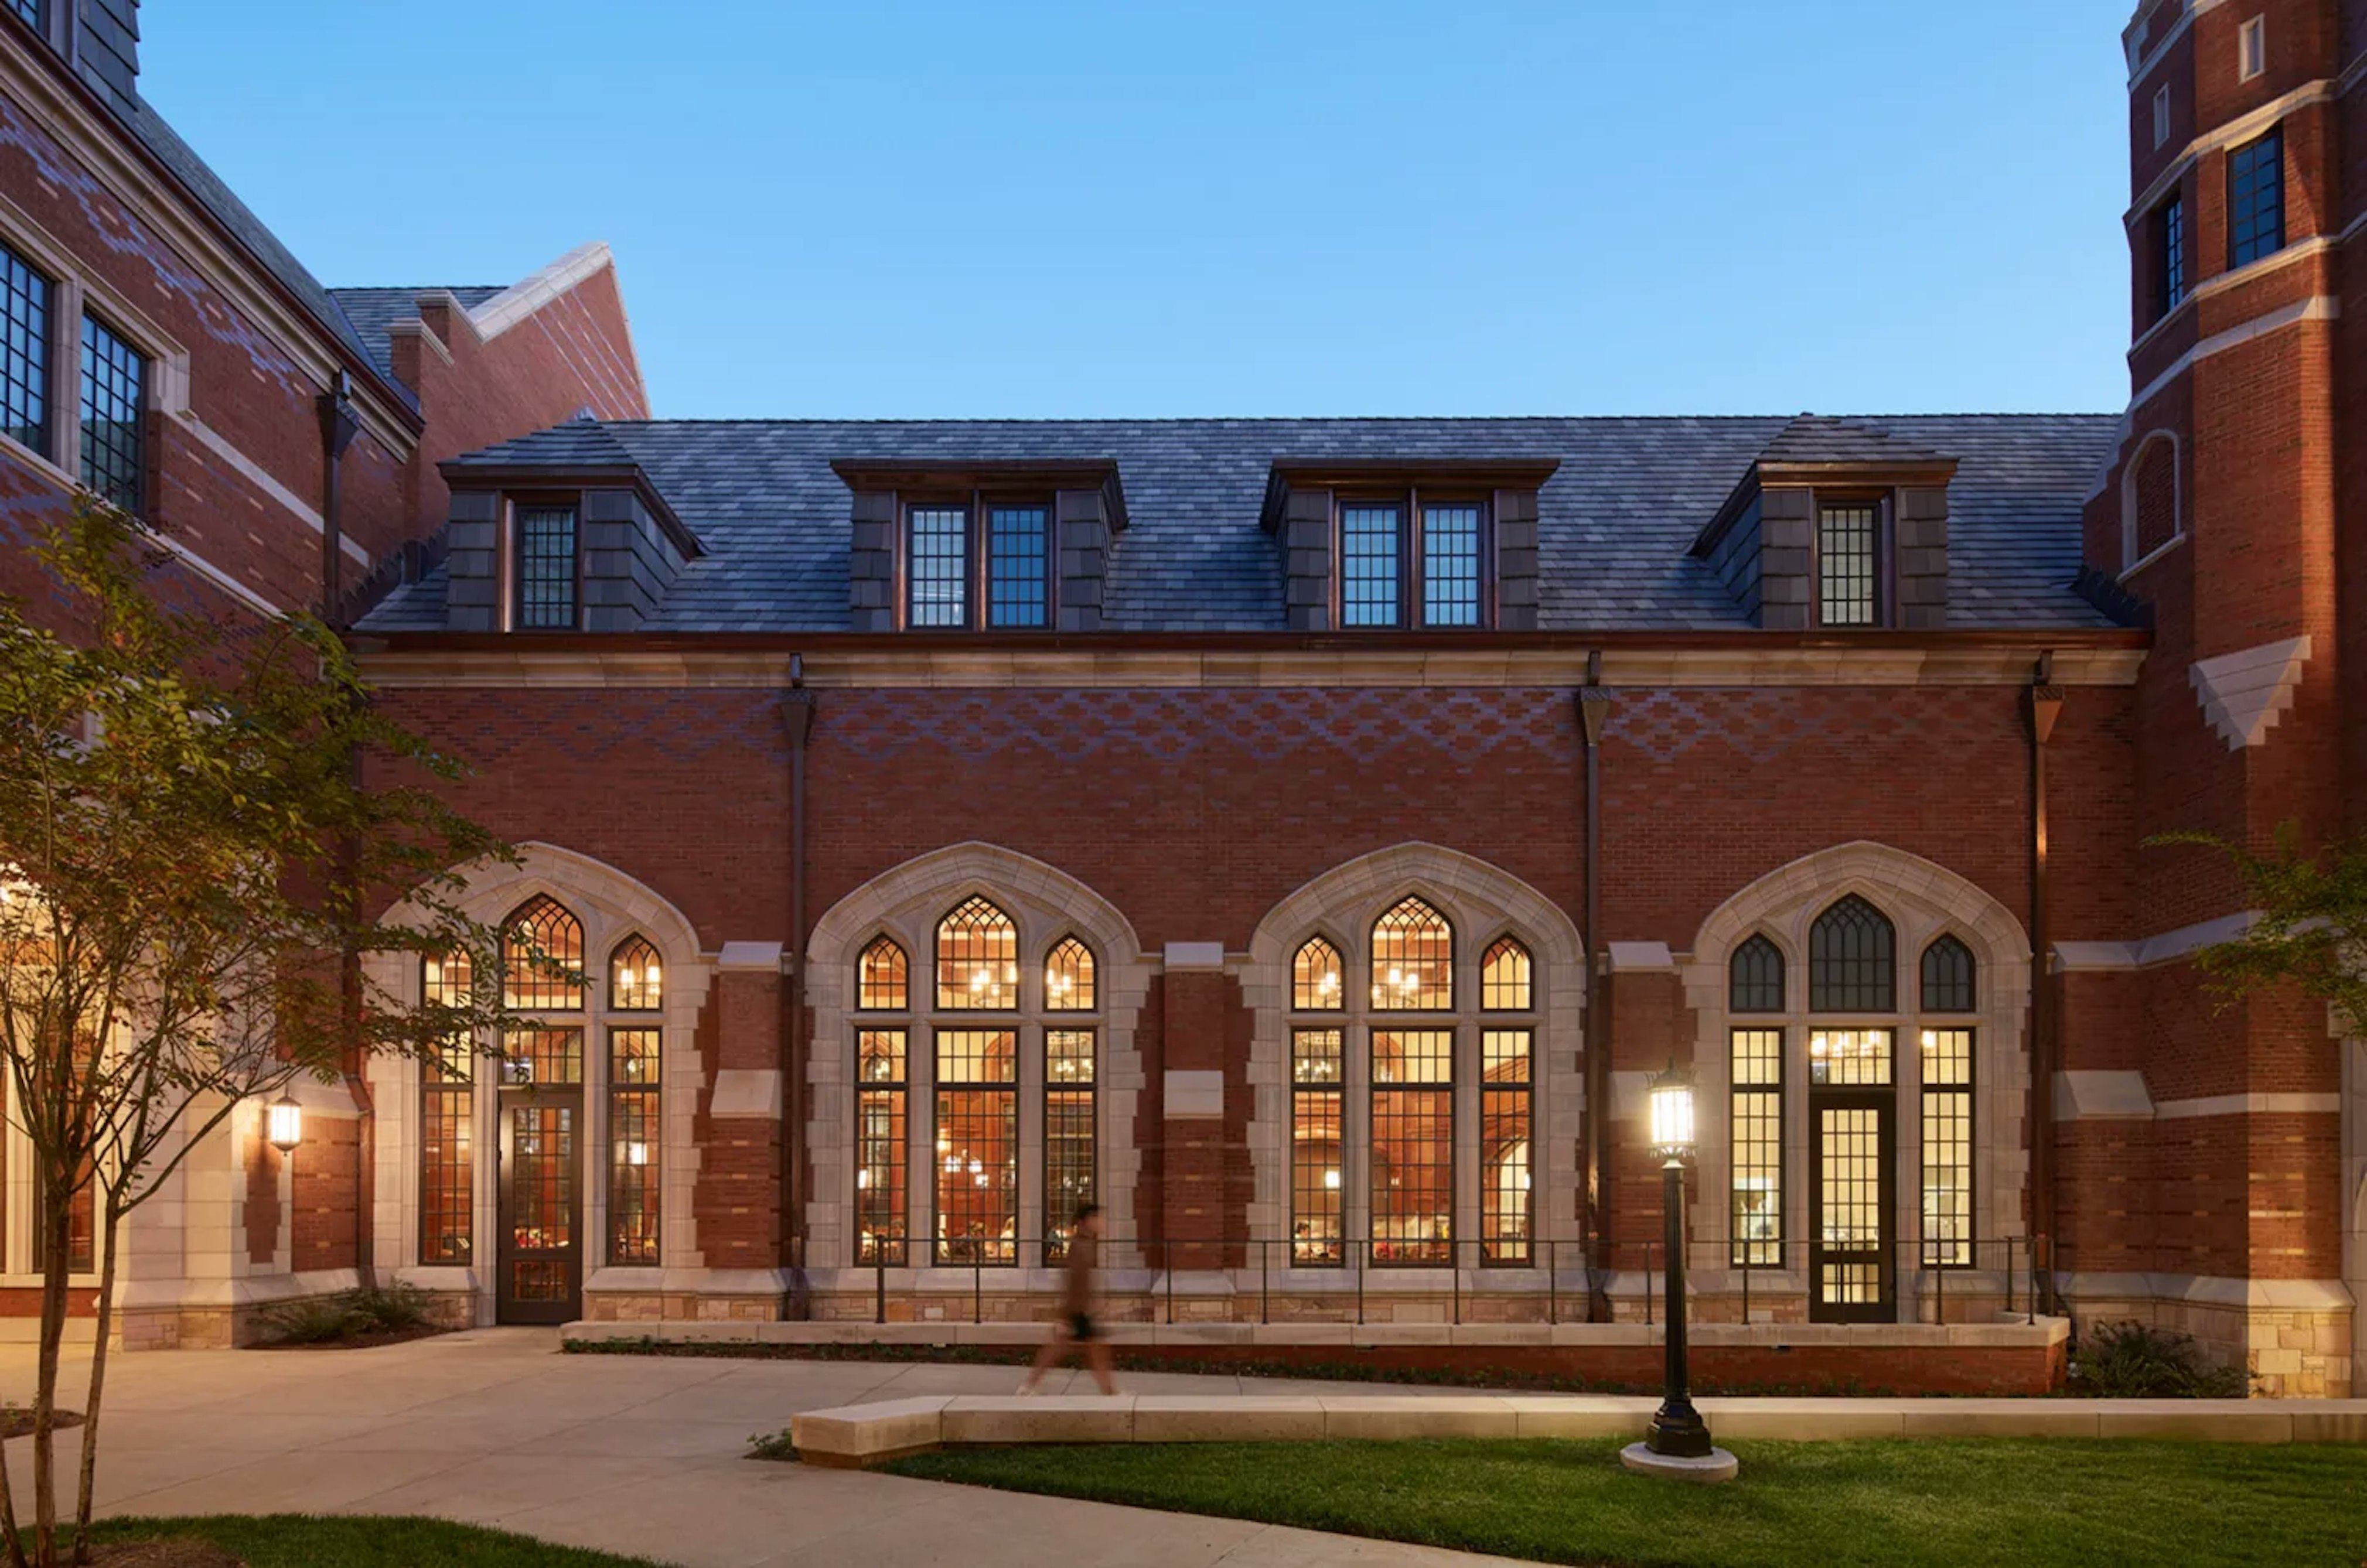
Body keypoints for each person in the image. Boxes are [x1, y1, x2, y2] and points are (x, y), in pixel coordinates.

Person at [1020, 1204, 1117, 1395]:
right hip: (1077, 1311)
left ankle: (1110, 1392)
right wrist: (1066, 1315)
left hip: (1081, 1310)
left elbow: (1083, 1281)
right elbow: (1074, 1281)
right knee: (1060, 1350)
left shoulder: (1088, 1244)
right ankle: (1028, 1387)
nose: (1102, 1222)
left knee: (1094, 1350)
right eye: (1097, 1218)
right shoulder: (1079, 1246)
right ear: (1086, 1222)